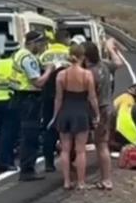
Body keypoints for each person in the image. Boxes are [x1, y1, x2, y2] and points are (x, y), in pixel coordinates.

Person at [10, 31, 55, 181]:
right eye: (40, 43)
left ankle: (27, 168)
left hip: (21, 98)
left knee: (27, 134)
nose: (42, 46)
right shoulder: (28, 58)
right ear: (33, 43)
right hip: (29, 100)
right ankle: (27, 170)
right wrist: (49, 70)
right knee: (30, 135)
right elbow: (38, 82)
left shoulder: (19, 54)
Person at [54, 44, 99, 190]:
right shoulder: (87, 75)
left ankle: (67, 181)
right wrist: (96, 114)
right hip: (81, 112)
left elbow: (58, 98)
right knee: (80, 150)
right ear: (82, 57)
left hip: (65, 111)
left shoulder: (61, 75)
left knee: (65, 149)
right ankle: (81, 182)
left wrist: (55, 115)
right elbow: (92, 97)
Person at [84, 41, 123, 191]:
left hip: (97, 109)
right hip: (108, 106)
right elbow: (119, 63)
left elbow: (90, 96)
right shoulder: (105, 65)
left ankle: (103, 179)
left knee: (97, 144)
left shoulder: (89, 73)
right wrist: (111, 49)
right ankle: (106, 178)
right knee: (102, 144)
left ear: (86, 57)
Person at [39, 28, 71, 173]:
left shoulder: (44, 55)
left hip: (46, 96)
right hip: (66, 96)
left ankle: (49, 163)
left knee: (48, 128)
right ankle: (68, 160)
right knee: (66, 129)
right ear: (66, 39)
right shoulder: (70, 54)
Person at [0, 38, 19, 172]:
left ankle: (3, 161)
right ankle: (6, 162)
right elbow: (17, 84)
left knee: (2, 132)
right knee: (10, 133)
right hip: (10, 100)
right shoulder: (15, 65)